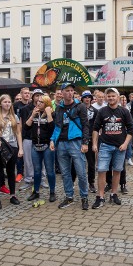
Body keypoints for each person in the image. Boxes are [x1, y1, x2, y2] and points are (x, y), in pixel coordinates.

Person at [91, 88, 133, 208]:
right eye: (108, 96)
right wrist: (94, 144)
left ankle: (114, 194)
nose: (110, 98)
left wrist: (125, 144)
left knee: (117, 171)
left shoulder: (124, 111)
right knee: (101, 170)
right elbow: (95, 128)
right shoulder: (102, 111)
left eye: (113, 96)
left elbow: (131, 129)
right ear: (106, 97)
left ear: (118, 97)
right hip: (105, 145)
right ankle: (100, 197)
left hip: (120, 147)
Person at [50, 82, 90, 210]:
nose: (69, 93)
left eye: (72, 90)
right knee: (65, 173)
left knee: (81, 172)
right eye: (67, 90)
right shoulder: (59, 108)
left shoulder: (80, 106)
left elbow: (85, 125)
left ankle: (84, 197)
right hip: (61, 143)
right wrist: (52, 140)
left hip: (76, 142)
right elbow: (57, 127)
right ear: (61, 93)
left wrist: (85, 142)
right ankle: (69, 196)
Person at [0, 94, 23, 209]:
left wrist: (20, 148)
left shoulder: (15, 117)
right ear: (0, 103)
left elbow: (18, 133)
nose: (7, 104)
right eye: (5, 102)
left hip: (12, 147)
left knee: (11, 172)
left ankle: (13, 195)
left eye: (9, 102)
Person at [26, 95, 57, 202]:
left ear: (47, 104)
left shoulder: (52, 113)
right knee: (37, 171)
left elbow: (52, 128)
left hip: (47, 146)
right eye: (38, 101)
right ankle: (36, 192)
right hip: (35, 145)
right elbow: (26, 127)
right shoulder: (34, 112)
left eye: (41, 102)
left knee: (50, 171)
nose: (38, 103)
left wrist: (48, 114)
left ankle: (52, 192)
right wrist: (32, 115)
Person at [81, 90, 98, 193]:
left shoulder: (95, 111)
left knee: (91, 163)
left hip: (91, 138)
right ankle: (75, 180)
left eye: (89, 97)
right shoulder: (78, 108)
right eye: (85, 97)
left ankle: (91, 182)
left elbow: (96, 126)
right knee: (77, 162)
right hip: (80, 138)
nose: (87, 99)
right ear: (82, 98)